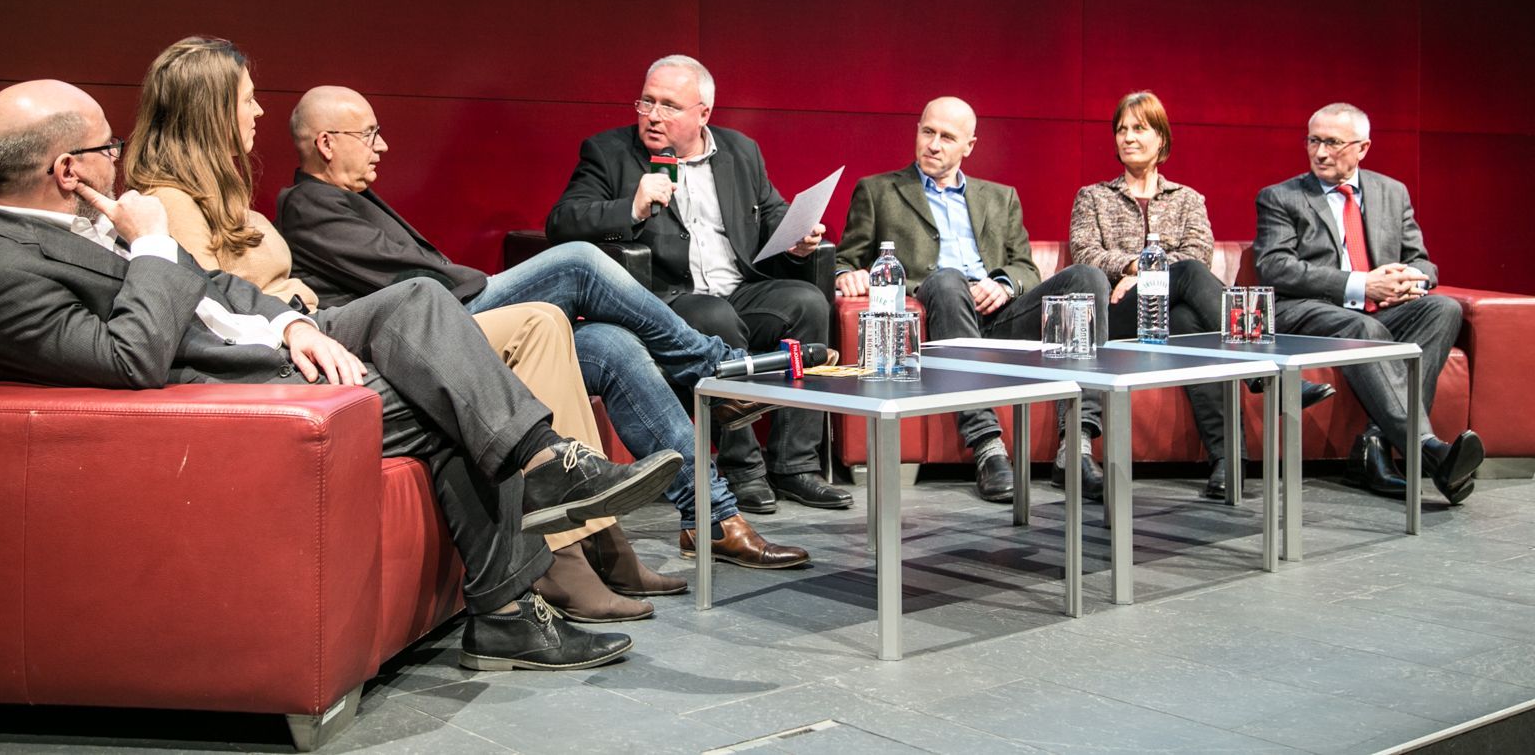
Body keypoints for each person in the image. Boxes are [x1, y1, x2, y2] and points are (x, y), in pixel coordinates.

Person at [0, 79, 685, 672]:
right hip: (216, 392)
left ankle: (545, 472)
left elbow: (215, 286)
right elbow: (130, 360)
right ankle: (513, 603)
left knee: (422, 305)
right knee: (446, 395)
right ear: (65, 168)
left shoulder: (80, 215)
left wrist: (292, 322)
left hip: (266, 341)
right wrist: (151, 247)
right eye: (105, 146)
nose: (119, 156)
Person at [122, 37, 674, 624]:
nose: (258, 113)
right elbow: (202, 308)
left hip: (328, 337)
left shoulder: (223, 198)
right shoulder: (171, 206)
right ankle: (570, 542)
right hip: (305, 361)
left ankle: (592, 530)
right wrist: (287, 306)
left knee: (555, 324)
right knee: (566, 270)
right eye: (247, 100)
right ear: (210, 112)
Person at [274, 84, 808, 572]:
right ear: (326, 142)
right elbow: (415, 283)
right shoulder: (307, 206)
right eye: (369, 133)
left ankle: (713, 516)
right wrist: (492, 279)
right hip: (429, 340)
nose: (382, 145)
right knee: (576, 260)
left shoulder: (349, 198)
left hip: (451, 310)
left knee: (614, 345)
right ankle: (711, 366)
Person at [546, 54, 850, 514]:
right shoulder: (608, 153)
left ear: (703, 113)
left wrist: (798, 238)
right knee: (714, 317)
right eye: (646, 101)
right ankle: (742, 468)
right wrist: (631, 207)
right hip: (668, 298)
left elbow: (770, 215)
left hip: (739, 286)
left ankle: (794, 466)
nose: (652, 115)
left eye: (669, 105)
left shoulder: (740, 151)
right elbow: (563, 222)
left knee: (807, 302)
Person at [836, 97, 1111, 502]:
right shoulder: (879, 191)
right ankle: (987, 449)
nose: (933, 144)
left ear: (969, 145)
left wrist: (1003, 283)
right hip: (938, 311)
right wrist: (848, 274)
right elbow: (845, 258)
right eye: (927, 132)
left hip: (1000, 315)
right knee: (948, 280)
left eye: (947, 137)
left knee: (1088, 277)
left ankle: (1077, 447)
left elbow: (1026, 269)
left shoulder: (1001, 198)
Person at [1069, 91, 1336, 500]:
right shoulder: (1093, 196)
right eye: (1121, 129)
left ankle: (1227, 463)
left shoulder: (1188, 199)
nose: (1127, 137)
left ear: (1161, 138)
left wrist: (1145, 273)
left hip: (1172, 315)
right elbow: (1086, 251)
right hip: (1117, 316)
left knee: (1191, 324)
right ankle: (1269, 375)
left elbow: (1198, 251)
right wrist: (1136, 270)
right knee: (1189, 275)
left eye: (1139, 128)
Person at [1254, 102, 1481, 504]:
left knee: (1443, 308)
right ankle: (1428, 449)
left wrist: (1412, 280)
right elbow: (1274, 267)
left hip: (1382, 308)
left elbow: (1422, 260)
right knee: (1364, 330)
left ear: (1362, 148)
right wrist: (1360, 284)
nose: (1320, 152)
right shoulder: (1281, 197)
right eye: (1313, 141)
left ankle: (1374, 445)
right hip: (1310, 310)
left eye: (1333, 143)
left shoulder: (1391, 192)